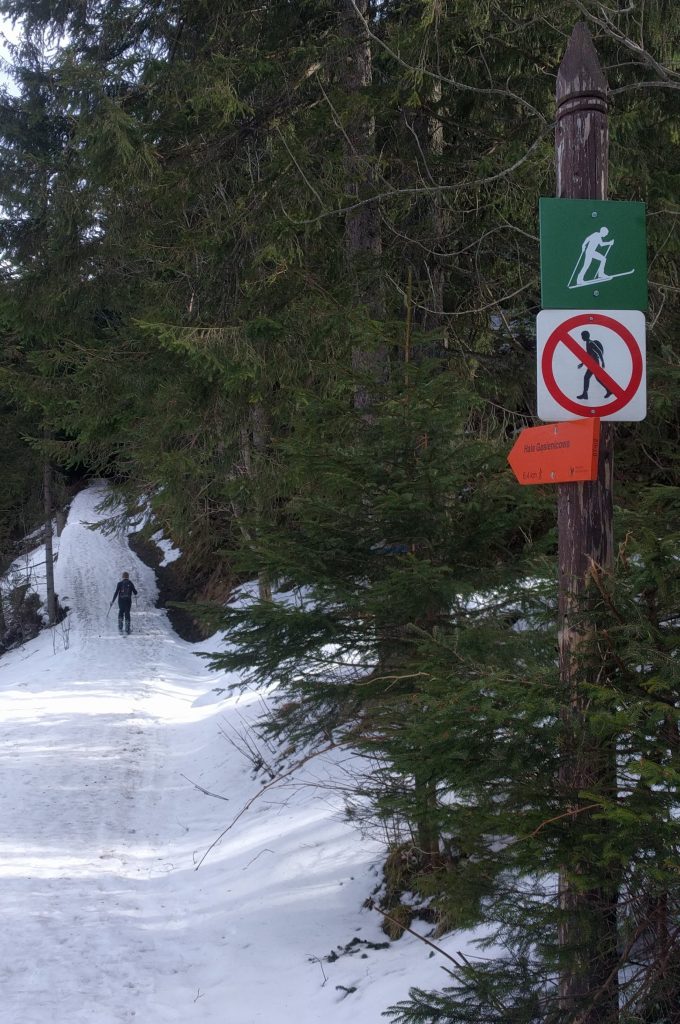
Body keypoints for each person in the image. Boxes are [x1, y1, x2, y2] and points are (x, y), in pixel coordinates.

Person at [576, 330, 612, 401]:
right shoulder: (587, 343)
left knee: (587, 377)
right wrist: (582, 364)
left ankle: (585, 394)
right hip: (592, 363)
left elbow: (599, 352)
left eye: (582, 336)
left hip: (594, 363)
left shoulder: (591, 343)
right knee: (596, 378)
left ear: (585, 336)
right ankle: (608, 390)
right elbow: (588, 355)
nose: (581, 337)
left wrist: (603, 362)